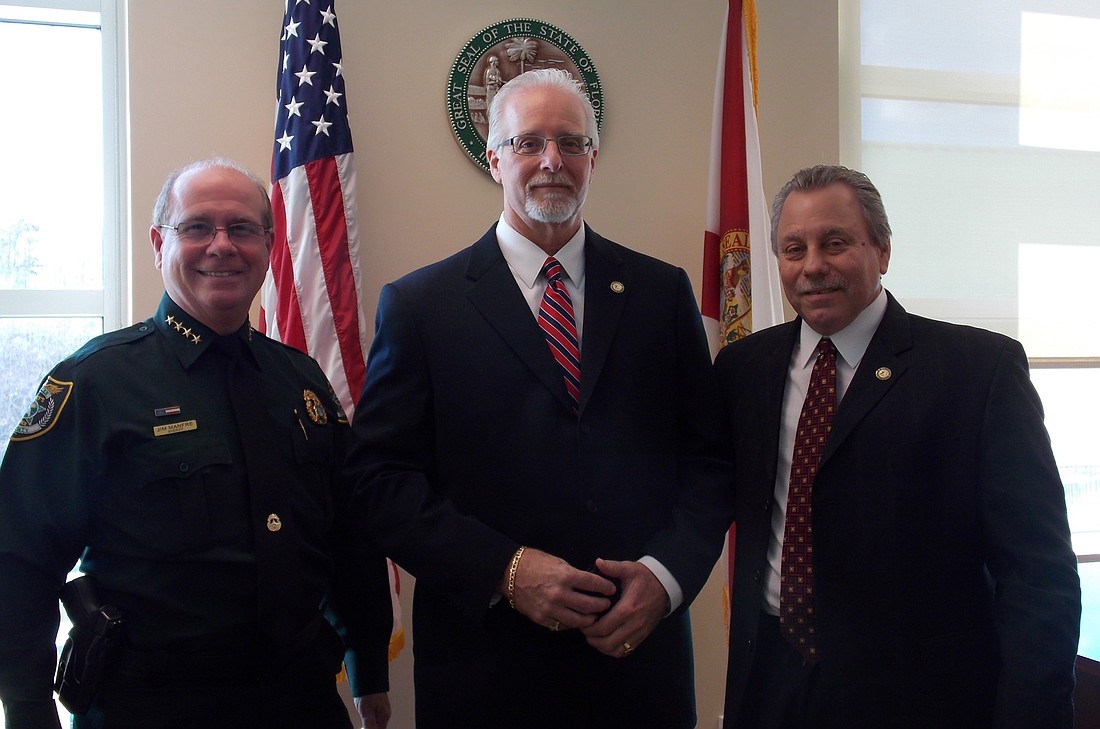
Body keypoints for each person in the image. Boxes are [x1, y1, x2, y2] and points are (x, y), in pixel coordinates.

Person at [343, 68, 731, 728]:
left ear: (593, 158)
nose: (552, 160)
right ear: (495, 159)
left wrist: (666, 579)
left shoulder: (661, 294)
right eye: (529, 143)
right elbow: (381, 481)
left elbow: (711, 462)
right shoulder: (421, 306)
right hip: (486, 670)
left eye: (571, 143)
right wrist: (507, 570)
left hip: (637, 664)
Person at [0, 159, 392, 729]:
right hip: (152, 704)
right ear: (159, 244)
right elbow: (20, 560)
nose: (221, 245)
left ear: (269, 243)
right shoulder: (95, 384)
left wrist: (369, 666)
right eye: (197, 228)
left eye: (241, 228)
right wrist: (28, 708)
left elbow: (350, 538)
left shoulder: (302, 381)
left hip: (299, 697)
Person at [715, 164, 1081, 728]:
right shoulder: (743, 368)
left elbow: (1039, 574)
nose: (813, 266)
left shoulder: (978, 371)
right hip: (773, 684)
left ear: (881, 251)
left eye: (835, 243)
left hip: (922, 697)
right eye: (794, 249)